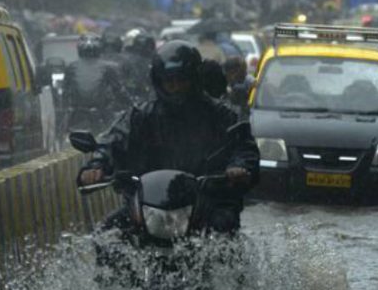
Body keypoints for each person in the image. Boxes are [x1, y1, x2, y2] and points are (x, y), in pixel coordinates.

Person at [78, 40, 260, 234]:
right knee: (105, 235)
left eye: (182, 80)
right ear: (159, 81)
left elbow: (244, 147)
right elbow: (112, 140)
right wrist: (96, 165)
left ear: (194, 78)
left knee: (224, 232)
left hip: (208, 202)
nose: (176, 86)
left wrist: (238, 167)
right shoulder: (140, 115)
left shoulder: (222, 115)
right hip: (148, 204)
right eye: (169, 81)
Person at [62, 34, 131, 136]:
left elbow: (65, 93)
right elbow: (119, 91)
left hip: (80, 116)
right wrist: (130, 105)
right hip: (100, 115)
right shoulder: (110, 67)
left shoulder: (71, 67)